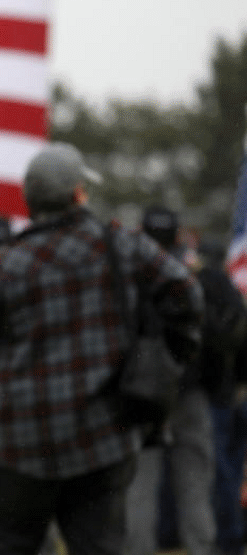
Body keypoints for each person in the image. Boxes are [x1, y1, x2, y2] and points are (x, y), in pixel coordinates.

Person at [0, 143, 203, 555]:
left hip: (17, 446)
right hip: (102, 437)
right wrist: (170, 354)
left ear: (30, 201)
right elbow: (186, 294)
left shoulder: (3, 264)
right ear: (79, 194)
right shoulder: (122, 246)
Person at [124, 206, 217, 555]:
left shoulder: (130, 277)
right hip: (189, 391)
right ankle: (202, 548)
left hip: (142, 393)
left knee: (139, 488)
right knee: (194, 485)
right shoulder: (196, 276)